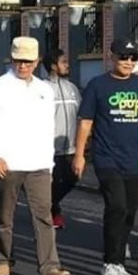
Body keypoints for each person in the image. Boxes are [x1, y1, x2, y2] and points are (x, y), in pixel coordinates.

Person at [0, 37, 71, 275]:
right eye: (19, 61)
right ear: (12, 59)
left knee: (43, 215)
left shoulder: (44, 90)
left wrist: (49, 164)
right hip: (8, 162)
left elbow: (48, 128)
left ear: (37, 61)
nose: (23, 66)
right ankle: (3, 258)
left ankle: (49, 267)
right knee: (4, 216)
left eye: (28, 61)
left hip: (38, 163)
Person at [72, 38, 138, 275]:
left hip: (134, 158)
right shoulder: (98, 85)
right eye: (123, 57)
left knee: (130, 211)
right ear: (111, 57)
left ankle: (120, 261)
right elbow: (86, 122)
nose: (128, 62)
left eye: (133, 58)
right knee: (117, 206)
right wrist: (79, 155)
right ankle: (110, 263)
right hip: (106, 157)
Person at [46, 49, 80, 229]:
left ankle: (49, 205)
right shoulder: (43, 88)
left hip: (71, 147)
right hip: (50, 148)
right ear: (53, 66)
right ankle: (52, 212)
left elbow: (81, 115)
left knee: (72, 179)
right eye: (63, 62)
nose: (67, 65)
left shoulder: (72, 88)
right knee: (52, 183)